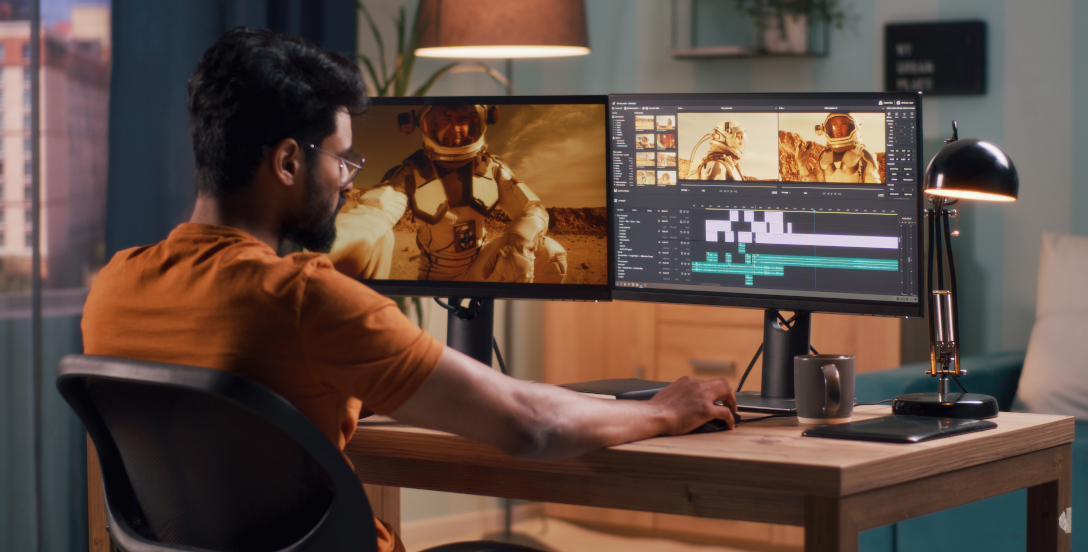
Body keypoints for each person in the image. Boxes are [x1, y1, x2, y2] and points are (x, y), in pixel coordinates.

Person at [80, 28, 737, 552]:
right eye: (340, 158)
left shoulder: (112, 288)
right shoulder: (305, 298)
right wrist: (662, 409)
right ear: (286, 162)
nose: (345, 179)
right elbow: (530, 427)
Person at [330, 104, 568, 282]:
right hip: (437, 276)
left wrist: (521, 237)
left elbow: (533, 209)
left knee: (551, 255)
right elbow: (375, 213)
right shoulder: (412, 173)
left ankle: (505, 317)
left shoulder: (492, 169)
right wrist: (327, 243)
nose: (455, 127)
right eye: (445, 119)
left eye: (463, 118)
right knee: (372, 240)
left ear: (478, 121)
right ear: (428, 124)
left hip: (480, 266)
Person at [809, 113, 880, 183]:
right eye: (834, 124)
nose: (838, 128)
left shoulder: (863, 155)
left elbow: (872, 188)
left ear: (851, 126)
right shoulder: (823, 155)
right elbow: (817, 184)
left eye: (843, 123)